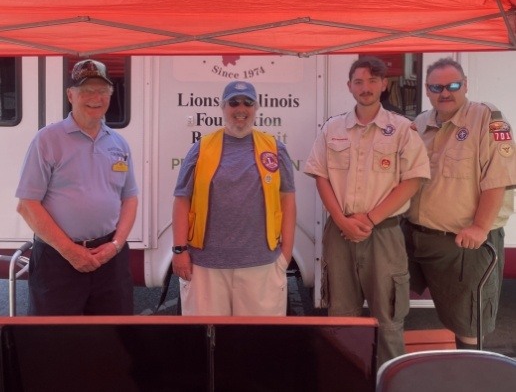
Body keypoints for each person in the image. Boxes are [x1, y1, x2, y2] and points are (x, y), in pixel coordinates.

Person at [304, 56, 430, 366]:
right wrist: (340, 219)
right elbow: (320, 176)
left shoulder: (401, 129)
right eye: (359, 82)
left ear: (384, 85)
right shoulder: (332, 128)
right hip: (340, 232)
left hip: (384, 232)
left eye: (373, 81)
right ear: (349, 86)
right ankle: (344, 378)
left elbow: (413, 181)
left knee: (387, 318)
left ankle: (391, 381)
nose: (366, 87)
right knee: (341, 316)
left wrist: (370, 218)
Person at [405, 57, 516, 349]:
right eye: (436, 87)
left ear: (465, 85)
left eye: (453, 85)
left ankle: (471, 377)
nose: (445, 92)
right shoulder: (419, 124)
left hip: (466, 243)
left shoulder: (486, 117)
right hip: (420, 238)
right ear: (427, 90)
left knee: (469, 323)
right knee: (394, 303)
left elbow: (498, 178)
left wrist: (480, 227)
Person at [16, 59, 139, 315]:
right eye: (86, 90)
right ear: (70, 95)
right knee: (55, 342)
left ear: (110, 95)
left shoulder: (118, 143)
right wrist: (70, 251)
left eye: (102, 90)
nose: (95, 97)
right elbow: (27, 205)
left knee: (115, 339)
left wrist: (115, 245)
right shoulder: (47, 140)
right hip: (57, 259)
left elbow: (130, 198)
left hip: (109, 259)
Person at [172, 80, 296, 316]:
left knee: (257, 342)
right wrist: (179, 251)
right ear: (223, 107)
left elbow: (288, 201)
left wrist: (285, 255)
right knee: (208, 342)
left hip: (261, 265)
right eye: (234, 102)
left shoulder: (274, 148)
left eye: (248, 103)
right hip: (206, 266)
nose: (241, 109)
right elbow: (181, 200)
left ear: (256, 108)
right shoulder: (200, 148)